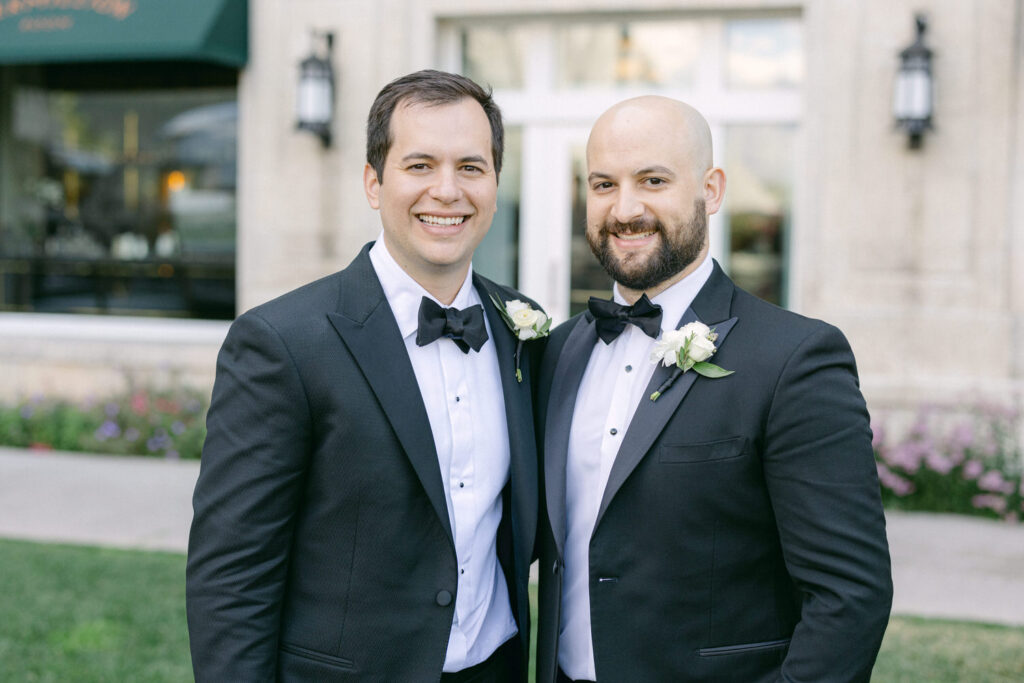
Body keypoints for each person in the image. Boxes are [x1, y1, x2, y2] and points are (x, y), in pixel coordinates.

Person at [187, 70, 544, 682]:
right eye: (420, 165)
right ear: (374, 183)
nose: (447, 191)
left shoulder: (523, 329)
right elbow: (231, 576)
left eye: (470, 167)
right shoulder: (283, 342)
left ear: (494, 183)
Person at [534, 96, 893, 682]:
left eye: (653, 180)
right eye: (603, 184)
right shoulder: (559, 352)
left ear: (712, 189)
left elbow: (850, 596)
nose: (625, 208)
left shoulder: (795, 359)